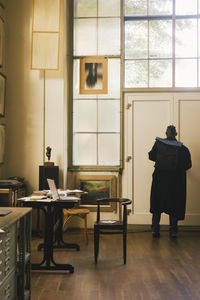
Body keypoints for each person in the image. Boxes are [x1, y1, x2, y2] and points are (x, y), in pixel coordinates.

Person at [148, 125, 192, 238]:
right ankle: (173, 231)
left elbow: (151, 156)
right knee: (174, 205)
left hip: (159, 179)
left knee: (157, 203)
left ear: (166, 133)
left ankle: (155, 229)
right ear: (176, 134)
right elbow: (188, 165)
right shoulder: (183, 149)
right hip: (175, 181)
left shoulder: (158, 144)